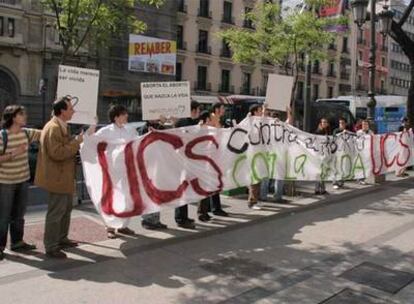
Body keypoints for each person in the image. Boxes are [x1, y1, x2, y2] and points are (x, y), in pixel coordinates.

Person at [35, 96, 95, 259]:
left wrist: (79, 138)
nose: (73, 111)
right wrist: (77, 141)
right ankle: (51, 246)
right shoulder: (53, 127)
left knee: (65, 209)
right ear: (62, 111)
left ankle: (61, 239)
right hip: (57, 178)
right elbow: (58, 153)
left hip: (64, 177)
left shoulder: (61, 125)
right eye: (70, 108)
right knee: (56, 212)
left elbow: (66, 146)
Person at [0, 105, 40, 260]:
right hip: (5, 182)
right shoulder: (3, 135)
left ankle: (17, 242)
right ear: (13, 117)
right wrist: (14, 153)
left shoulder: (27, 133)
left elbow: (47, 133)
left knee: (19, 214)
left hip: (22, 180)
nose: (25, 117)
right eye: (22, 114)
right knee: (3, 216)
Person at [174, 101, 201, 229]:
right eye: (198, 110)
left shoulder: (189, 122)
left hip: (187, 161)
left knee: (186, 191)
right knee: (182, 191)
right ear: (193, 110)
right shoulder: (183, 123)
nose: (199, 113)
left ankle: (183, 216)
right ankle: (180, 218)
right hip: (181, 162)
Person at [247, 104, 264, 210]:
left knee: (258, 179)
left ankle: (255, 200)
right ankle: (252, 202)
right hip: (252, 155)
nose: (261, 112)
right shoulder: (250, 122)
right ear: (254, 112)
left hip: (258, 155)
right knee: (254, 180)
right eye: (259, 111)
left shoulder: (257, 123)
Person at [332, 117, 349, 190]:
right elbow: (334, 138)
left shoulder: (348, 131)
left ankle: (341, 181)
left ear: (345, 124)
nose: (341, 124)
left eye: (342, 123)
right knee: (336, 167)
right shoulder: (336, 130)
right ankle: (335, 182)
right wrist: (342, 133)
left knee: (343, 167)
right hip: (337, 152)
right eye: (340, 123)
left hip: (344, 152)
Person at [314, 118, 330, 195]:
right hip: (319, 154)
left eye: (325, 122)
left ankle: (322, 189)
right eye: (323, 122)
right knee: (318, 172)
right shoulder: (318, 131)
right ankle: (317, 189)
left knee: (323, 172)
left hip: (325, 154)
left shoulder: (327, 131)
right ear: (321, 123)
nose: (324, 123)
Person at [356, 119, 373, 185]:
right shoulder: (358, 132)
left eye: (365, 124)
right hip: (361, 151)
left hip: (367, 151)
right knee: (361, 166)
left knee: (366, 166)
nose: (364, 126)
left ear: (368, 125)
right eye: (363, 124)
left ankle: (363, 178)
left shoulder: (371, 132)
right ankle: (360, 179)